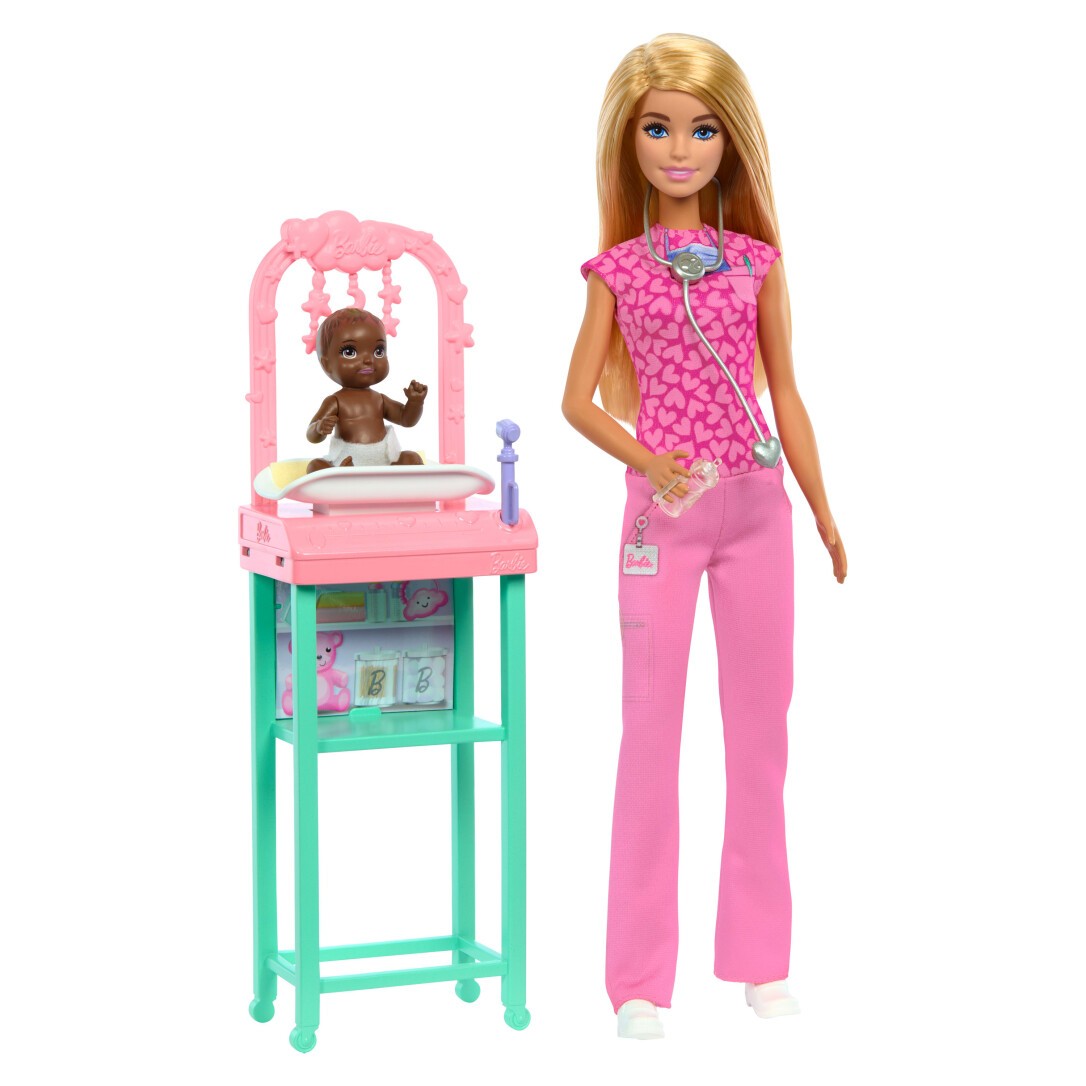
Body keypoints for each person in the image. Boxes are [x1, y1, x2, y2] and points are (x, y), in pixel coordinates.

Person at [562, 33, 847, 1040]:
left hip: (757, 508)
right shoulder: (617, 272)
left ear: (731, 142)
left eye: (701, 129)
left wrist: (821, 507)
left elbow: (787, 393)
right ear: (628, 139)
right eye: (658, 128)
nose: (679, 149)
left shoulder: (756, 264)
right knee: (650, 735)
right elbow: (576, 402)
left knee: (760, 736)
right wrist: (649, 461)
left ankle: (762, 960)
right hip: (664, 518)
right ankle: (638, 979)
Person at [305, 307, 427, 472]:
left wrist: (415, 402)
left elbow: (406, 419)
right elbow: (311, 435)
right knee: (315, 466)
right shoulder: (335, 401)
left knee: (412, 459)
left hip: (383, 460)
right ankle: (343, 476)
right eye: (350, 352)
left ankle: (398, 483)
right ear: (327, 364)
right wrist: (319, 428)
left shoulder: (379, 399)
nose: (368, 360)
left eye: (378, 351)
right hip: (347, 460)